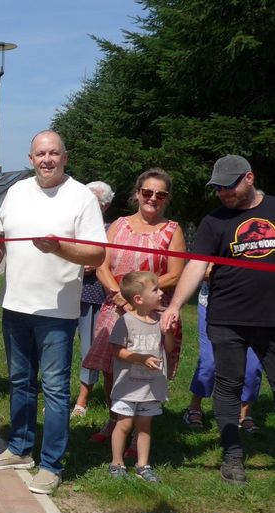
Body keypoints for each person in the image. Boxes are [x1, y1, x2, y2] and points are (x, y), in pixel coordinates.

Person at [0, 130, 106, 494]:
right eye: (39, 154)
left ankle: (51, 463)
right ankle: (19, 448)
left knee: (54, 388)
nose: (46, 160)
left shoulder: (81, 197)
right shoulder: (17, 191)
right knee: (20, 383)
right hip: (15, 305)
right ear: (30, 158)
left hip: (58, 312)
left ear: (65, 157)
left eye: (54, 153)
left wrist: (60, 248)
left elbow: (97, 254)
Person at [161, 154, 275, 485]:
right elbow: (196, 265)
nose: (223, 192)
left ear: (249, 178)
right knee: (228, 384)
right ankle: (232, 455)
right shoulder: (214, 221)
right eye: (218, 187)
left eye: (230, 185)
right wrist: (174, 306)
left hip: (271, 318)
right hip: (227, 317)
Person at [82, 169, 185, 444]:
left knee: (144, 368)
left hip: (150, 312)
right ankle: (115, 420)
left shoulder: (172, 230)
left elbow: (175, 273)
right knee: (110, 367)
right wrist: (117, 293)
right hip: (115, 307)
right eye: (147, 192)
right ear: (137, 194)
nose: (153, 198)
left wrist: (135, 295)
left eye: (160, 194)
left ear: (167, 198)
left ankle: (140, 430)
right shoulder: (119, 224)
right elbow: (101, 262)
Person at [107, 271, 176, 483]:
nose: (161, 292)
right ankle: (117, 463)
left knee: (144, 426)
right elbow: (115, 350)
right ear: (138, 298)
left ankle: (142, 465)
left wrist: (170, 331)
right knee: (124, 424)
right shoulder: (126, 321)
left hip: (151, 387)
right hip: (128, 387)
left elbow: (170, 349)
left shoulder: (159, 320)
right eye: (155, 289)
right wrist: (140, 358)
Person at [183, 274, 263, 432]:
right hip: (215, 305)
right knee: (210, 362)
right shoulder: (215, 247)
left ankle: (244, 414)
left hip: (256, 309)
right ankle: (194, 407)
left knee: (253, 366)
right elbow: (202, 272)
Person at [71, 181, 115, 417]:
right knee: (61, 346)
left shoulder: (111, 230)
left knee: (90, 348)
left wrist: (96, 263)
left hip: (94, 295)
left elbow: (110, 262)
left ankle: (83, 399)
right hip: (66, 292)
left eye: (94, 202)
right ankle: (58, 396)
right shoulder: (72, 226)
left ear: (105, 206)